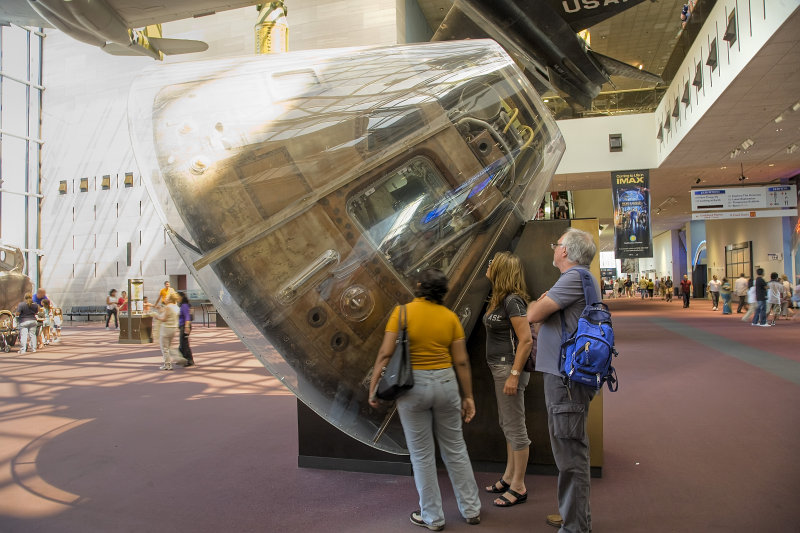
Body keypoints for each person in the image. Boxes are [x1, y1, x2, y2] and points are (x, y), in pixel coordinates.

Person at [368, 269, 481, 530]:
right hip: (446, 383)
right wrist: (469, 397)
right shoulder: (450, 318)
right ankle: (472, 509)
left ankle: (433, 517)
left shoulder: (402, 313)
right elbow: (461, 361)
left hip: (412, 387)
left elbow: (385, 354)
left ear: (419, 286)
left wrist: (374, 387)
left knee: (421, 455)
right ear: (443, 291)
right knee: (455, 449)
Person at [526, 228, 600, 533]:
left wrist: (539, 304)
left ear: (566, 252)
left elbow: (532, 314)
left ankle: (574, 526)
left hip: (565, 380)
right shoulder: (582, 279)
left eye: (556, 245)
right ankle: (575, 516)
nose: (553, 249)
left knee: (570, 455)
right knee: (570, 450)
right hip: (569, 377)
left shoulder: (572, 278)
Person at [482, 252, 532, 507]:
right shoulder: (500, 299)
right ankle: (509, 476)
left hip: (507, 369)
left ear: (501, 270)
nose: (488, 266)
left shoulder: (512, 301)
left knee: (515, 428)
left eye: (493, 263)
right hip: (498, 368)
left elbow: (526, 340)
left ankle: (519, 486)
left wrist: (513, 374)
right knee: (507, 424)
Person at [155, 293, 180, 370]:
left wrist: (157, 317)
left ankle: (167, 365)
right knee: (168, 346)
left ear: (170, 299)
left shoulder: (168, 307)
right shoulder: (176, 307)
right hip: (173, 328)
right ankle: (176, 359)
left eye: (166, 298)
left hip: (166, 329)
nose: (165, 299)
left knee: (164, 348)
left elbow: (164, 319)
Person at [178, 291, 195, 367]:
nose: (176, 298)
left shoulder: (184, 305)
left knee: (184, 344)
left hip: (185, 326)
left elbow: (187, 317)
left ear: (181, 297)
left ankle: (189, 360)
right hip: (183, 326)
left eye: (177, 296)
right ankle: (184, 359)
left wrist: (187, 327)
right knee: (183, 343)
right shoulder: (182, 305)